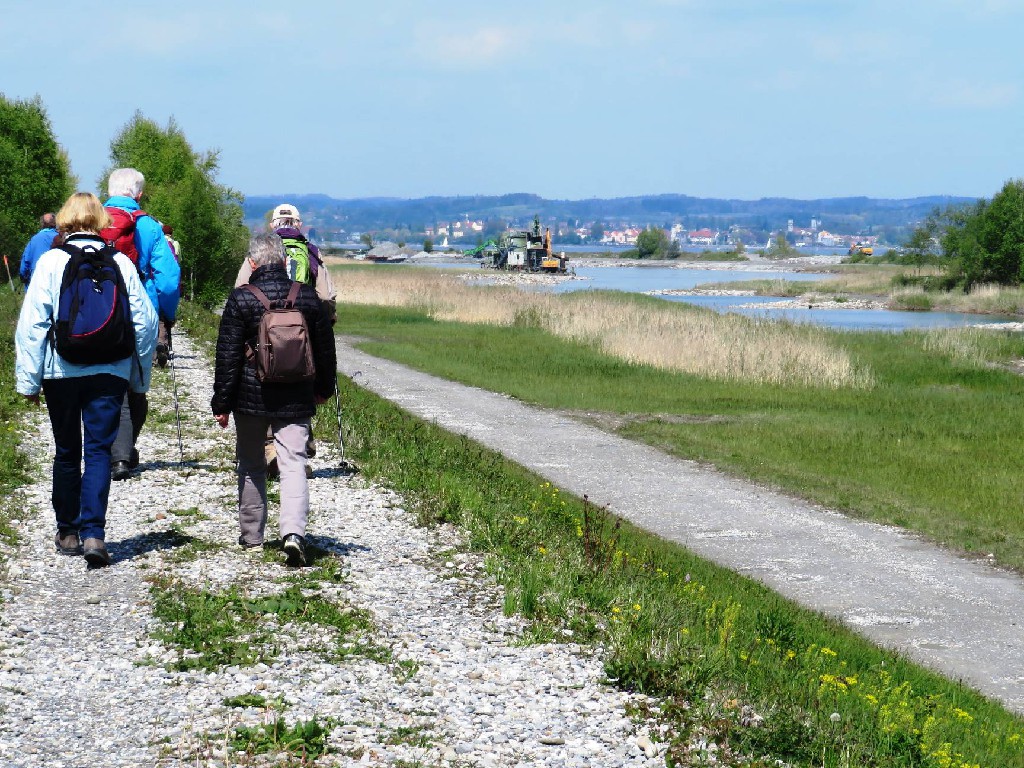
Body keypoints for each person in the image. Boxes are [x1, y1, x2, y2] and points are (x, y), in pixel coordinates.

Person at [15, 192, 157, 567]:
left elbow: (32, 325)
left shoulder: (50, 261)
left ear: (64, 220)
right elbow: (145, 323)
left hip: (60, 370)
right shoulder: (120, 263)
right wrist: (138, 377)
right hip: (110, 371)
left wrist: (28, 381)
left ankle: (68, 531)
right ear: (100, 221)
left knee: (66, 451)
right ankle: (95, 534)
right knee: (98, 452)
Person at [212, 233, 337, 566]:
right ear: (285, 261)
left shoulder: (241, 299)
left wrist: (221, 404)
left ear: (252, 263)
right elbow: (325, 352)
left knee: (252, 464)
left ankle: (252, 535)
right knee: (293, 462)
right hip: (296, 395)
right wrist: (324, 388)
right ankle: (293, 533)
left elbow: (226, 357)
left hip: (249, 396)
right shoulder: (308, 298)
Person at [234, 203, 336, 475]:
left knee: (264, 382)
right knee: (301, 385)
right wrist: (323, 322)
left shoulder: (260, 250)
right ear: (298, 224)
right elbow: (326, 296)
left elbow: (240, 287)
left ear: (273, 225)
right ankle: (300, 451)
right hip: (302, 331)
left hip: (263, 331)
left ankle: (269, 448)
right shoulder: (311, 252)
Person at [103, 168, 181, 479]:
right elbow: (168, 279)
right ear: (139, 195)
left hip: (95, 314)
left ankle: (110, 450)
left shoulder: (92, 219)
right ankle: (124, 453)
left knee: (105, 382)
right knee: (135, 385)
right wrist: (167, 313)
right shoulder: (147, 226)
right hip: (139, 313)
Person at [155, 222, 182, 368]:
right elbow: (178, 263)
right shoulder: (173, 244)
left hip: (151, 284)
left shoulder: (153, 243)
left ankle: (153, 354)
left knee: (155, 317)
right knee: (165, 317)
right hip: (169, 282)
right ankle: (163, 344)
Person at [18, 213, 59, 286]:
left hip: (37, 282)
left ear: (42, 224)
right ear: (55, 223)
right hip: (58, 280)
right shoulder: (60, 238)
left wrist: (23, 277)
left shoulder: (34, 240)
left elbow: (25, 263)